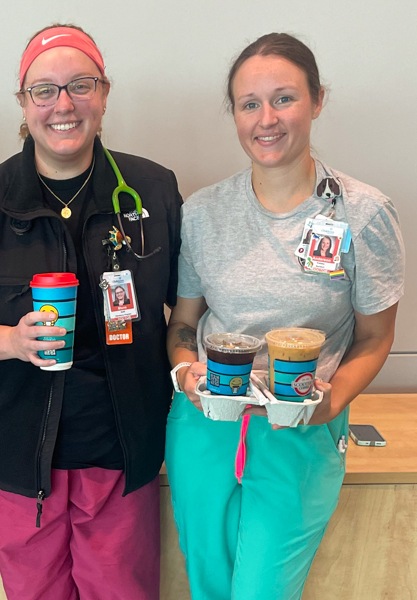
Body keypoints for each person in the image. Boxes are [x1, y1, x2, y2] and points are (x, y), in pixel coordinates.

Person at [0, 24, 182, 600]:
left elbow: (187, 308)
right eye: (44, 90)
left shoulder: (152, 192)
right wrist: (12, 342)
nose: (63, 104)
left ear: (105, 93)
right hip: (18, 454)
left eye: (80, 85)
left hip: (122, 451)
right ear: (23, 103)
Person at [165, 33, 403, 600]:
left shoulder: (363, 213)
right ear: (235, 114)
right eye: (250, 104)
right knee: (208, 585)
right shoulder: (202, 212)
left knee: (262, 591)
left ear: (317, 100)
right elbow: (181, 324)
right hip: (204, 427)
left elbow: (374, 338)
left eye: (284, 99)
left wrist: (334, 400)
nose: (266, 119)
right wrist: (182, 372)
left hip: (302, 430)